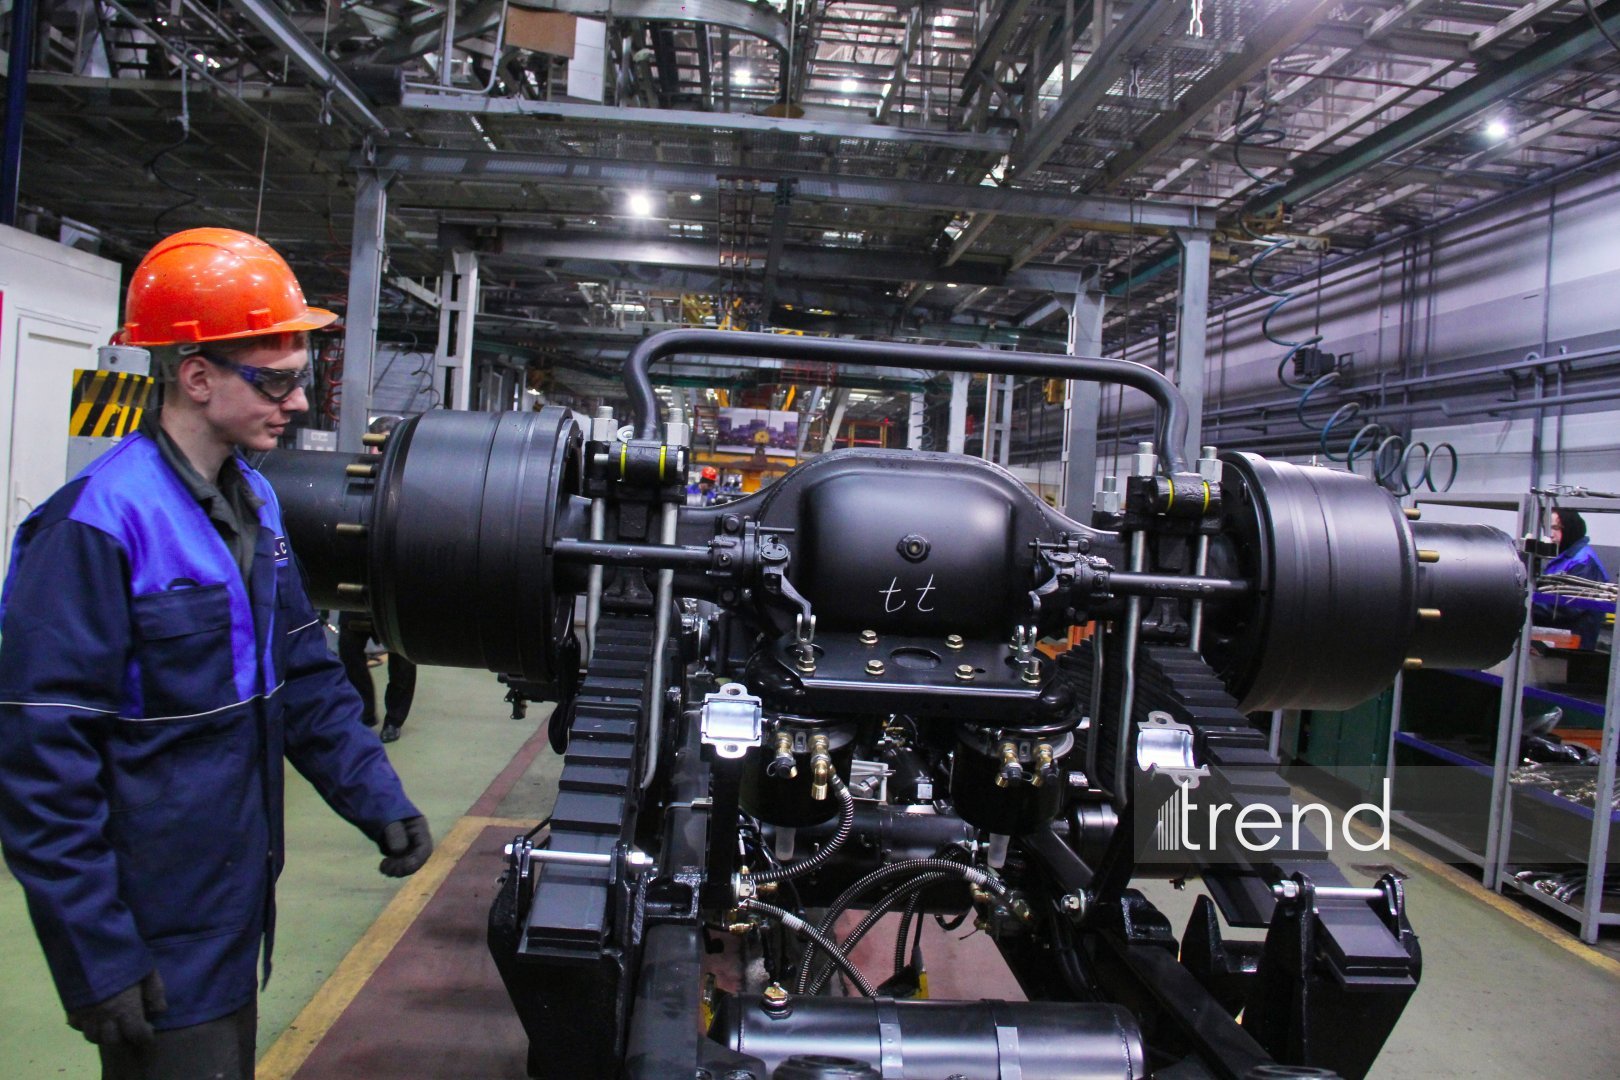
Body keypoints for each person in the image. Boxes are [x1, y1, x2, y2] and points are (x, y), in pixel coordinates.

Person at [0, 227, 433, 1078]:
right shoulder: (95, 526)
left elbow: (305, 675)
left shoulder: (255, 505)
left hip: (233, 905)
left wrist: (377, 798)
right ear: (197, 377)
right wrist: (98, 956)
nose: (299, 402)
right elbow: (41, 762)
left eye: (299, 379)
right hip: (152, 931)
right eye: (275, 380)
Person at [337, 417, 418, 743]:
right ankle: (365, 710)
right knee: (348, 649)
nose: (381, 449)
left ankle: (394, 719)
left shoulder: (411, 483)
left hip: (395, 590)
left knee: (402, 659)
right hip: (359, 584)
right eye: (378, 442)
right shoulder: (355, 475)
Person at [1533, 508, 1611, 649]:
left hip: (1573, 645)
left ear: (1570, 528)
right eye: (1548, 528)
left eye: (1555, 528)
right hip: (1553, 640)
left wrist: (1527, 607)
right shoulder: (1562, 557)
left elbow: (1568, 608)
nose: (1550, 534)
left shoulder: (1583, 562)